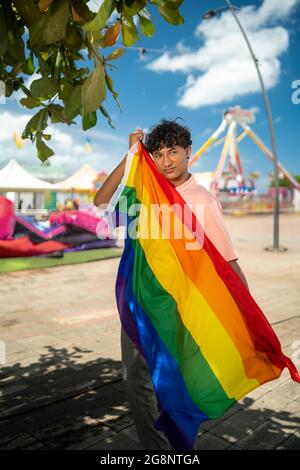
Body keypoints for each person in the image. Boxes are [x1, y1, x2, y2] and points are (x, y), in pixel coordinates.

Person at [93, 119, 249, 450]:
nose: (166, 161)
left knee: (172, 383)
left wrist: (246, 312)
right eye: (159, 154)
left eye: (173, 152)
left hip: (180, 309)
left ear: (188, 152)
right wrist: (131, 155)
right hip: (138, 303)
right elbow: (101, 201)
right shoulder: (146, 192)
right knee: (136, 382)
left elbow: (227, 259)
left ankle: (174, 448)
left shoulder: (202, 201)